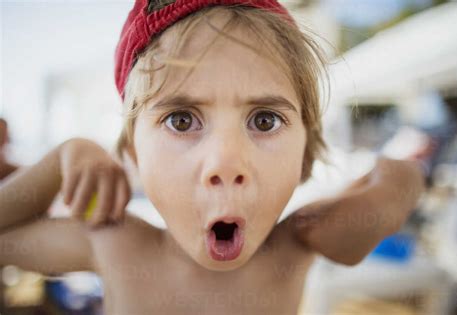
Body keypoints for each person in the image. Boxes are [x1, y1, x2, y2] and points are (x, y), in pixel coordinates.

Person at [0, 1, 426, 313]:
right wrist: (64, 157)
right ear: (132, 152)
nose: (226, 163)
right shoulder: (114, 244)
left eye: (264, 121)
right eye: (182, 121)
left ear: (304, 156)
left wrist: (384, 198)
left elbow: (402, 173)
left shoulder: (299, 239)